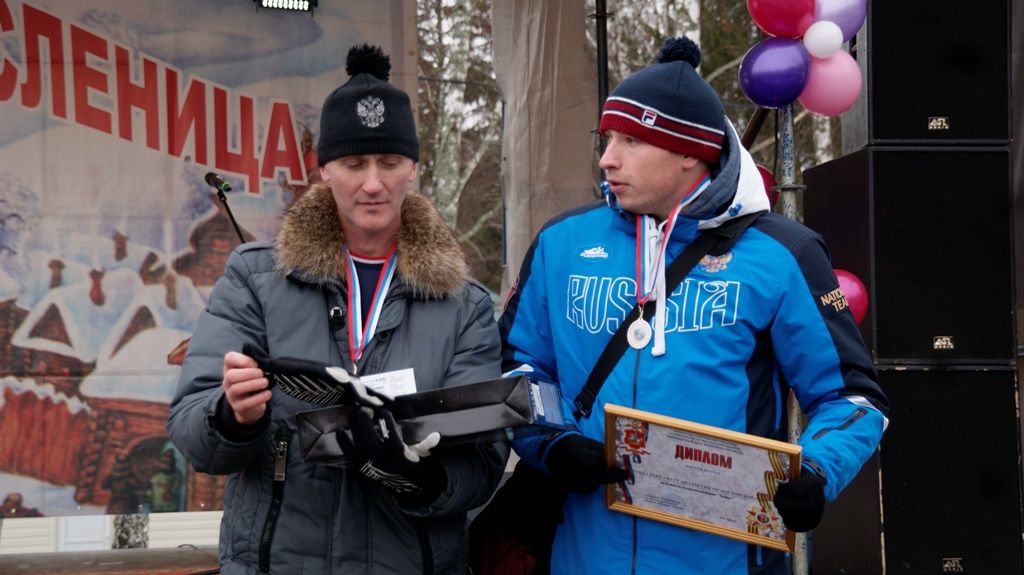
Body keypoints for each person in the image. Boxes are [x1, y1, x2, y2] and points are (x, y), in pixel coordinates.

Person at [499, 36, 889, 574]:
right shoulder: (560, 242)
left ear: (690, 152)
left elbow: (851, 398)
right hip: (584, 556)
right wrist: (552, 443)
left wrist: (819, 471)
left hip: (727, 560)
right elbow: (520, 369)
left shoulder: (783, 253)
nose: (607, 158)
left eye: (632, 140)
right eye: (607, 138)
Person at [167, 44, 507, 574]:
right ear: (324, 169)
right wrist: (233, 416)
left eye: (389, 163)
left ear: (413, 168)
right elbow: (194, 434)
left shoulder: (463, 305)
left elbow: (484, 461)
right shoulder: (256, 279)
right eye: (354, 164)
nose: (372, 183)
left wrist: (419, 478)